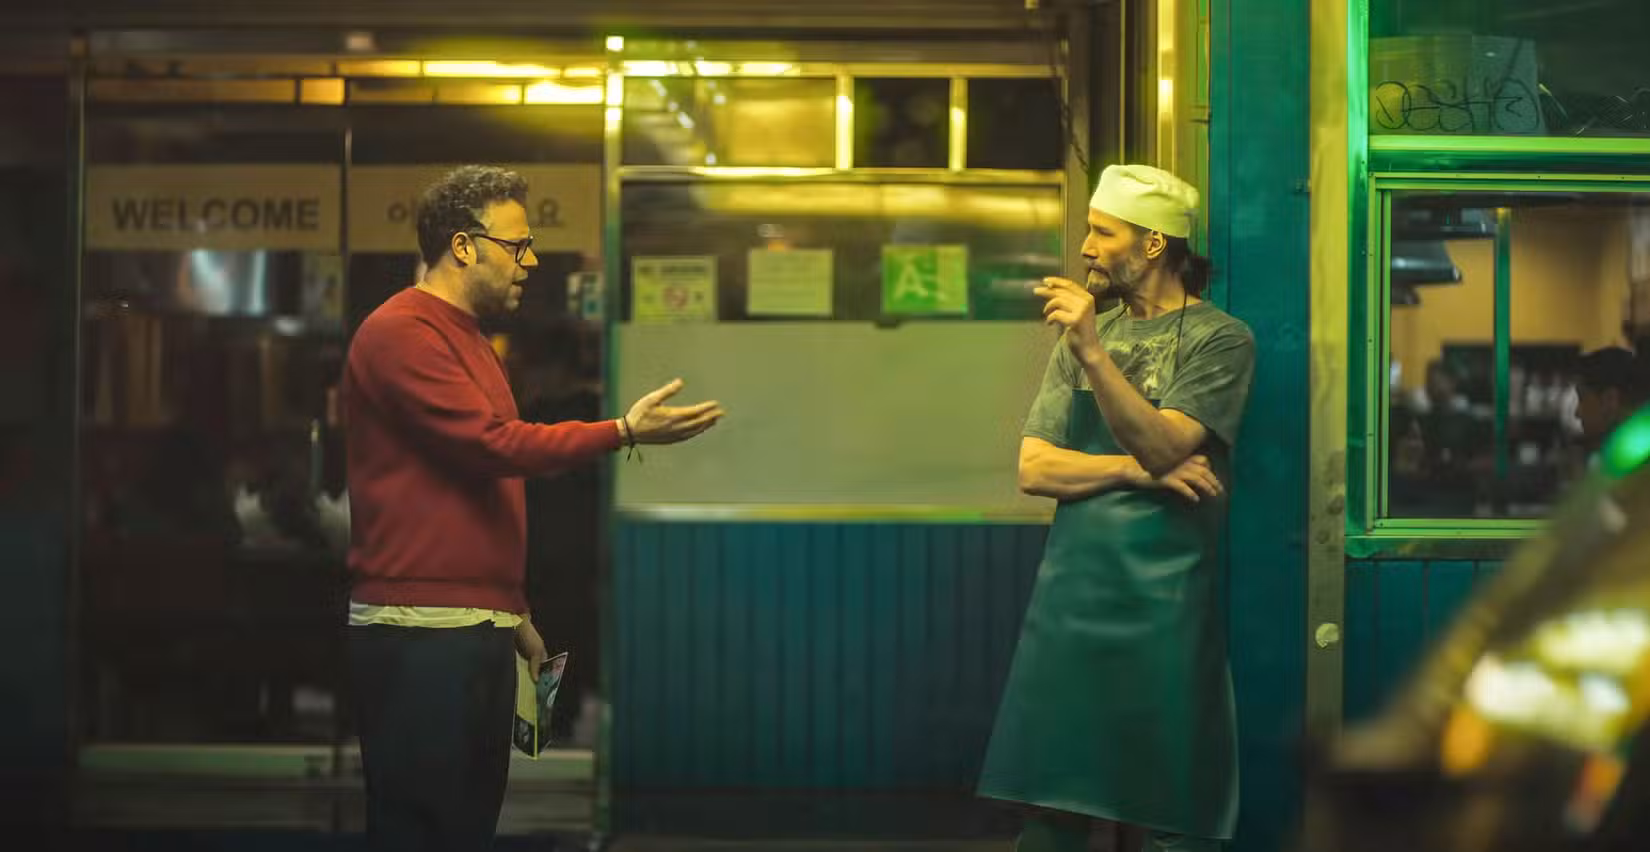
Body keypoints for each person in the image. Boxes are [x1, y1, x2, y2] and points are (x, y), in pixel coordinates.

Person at [342, 165, 724, 852]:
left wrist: (512, 610)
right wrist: (623, 431)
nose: (532, 261)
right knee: (421, 830)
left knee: (463, 828)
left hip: (470, 624)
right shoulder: (400, 332)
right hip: (421, 630)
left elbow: (477, 487)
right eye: (517, 246)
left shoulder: (467, 339)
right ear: (463, 246)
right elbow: (493, 447)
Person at [978, 164, 1256, 852]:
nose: (1087, 249)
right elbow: (1035, 467)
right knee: (1053, 804)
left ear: (1154, 243)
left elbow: (1170, 445)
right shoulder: (1080, 340)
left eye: (1102, 232)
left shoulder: (1221, 340)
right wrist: (1133, 470)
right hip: (1071, 599)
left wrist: (1095, 354)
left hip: (1166, 599)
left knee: (1165, 801)